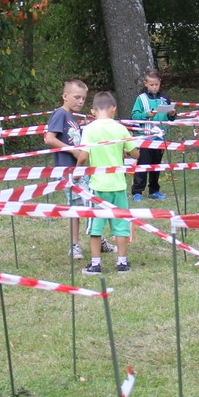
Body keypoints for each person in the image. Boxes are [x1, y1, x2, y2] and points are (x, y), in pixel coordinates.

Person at [45, 79, 112, 258]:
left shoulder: (71, 118)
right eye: (76, 97)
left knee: (77, 206)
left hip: (78, 170)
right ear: (65, 96)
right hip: (67, 170)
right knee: (89, 203)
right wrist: (74, 152)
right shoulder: (60, 114)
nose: (80, 101)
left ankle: (77, 244)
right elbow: (49, 138)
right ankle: (96, 239)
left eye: (83, 98)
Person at [80, 91, 138, 275]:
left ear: (93, 111)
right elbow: (136, 153)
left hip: (97, 186)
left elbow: (84, 154)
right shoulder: (121, 128)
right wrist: (125, 152)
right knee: (121, 226)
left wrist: (76, 169)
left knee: (95, 227)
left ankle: (95, 264)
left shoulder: (89, 129)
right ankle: (122, 262)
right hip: (118, 185)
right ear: (114, 109)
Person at [130, 67, 173, 202]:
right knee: (143, 164)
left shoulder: (165, 98)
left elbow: (170, 117)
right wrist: (146, 115)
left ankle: (154, 190)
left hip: (160, 138)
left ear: (160, 82)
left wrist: (172, 114)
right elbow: (134, 116)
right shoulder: (141, 99)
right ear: (146, 84)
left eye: (156, 84)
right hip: (146, 138)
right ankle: (137, 191)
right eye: (151, 85)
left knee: (156, 165)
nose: (154, 87)